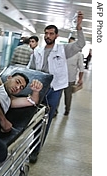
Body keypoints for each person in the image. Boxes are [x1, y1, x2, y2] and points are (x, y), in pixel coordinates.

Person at [27, 11, 86, 163]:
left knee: (46, 119)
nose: (48, 36)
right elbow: (30, 70)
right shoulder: (37, 51)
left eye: (51, 34)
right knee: (34, 117)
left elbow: (81, 44)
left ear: (56, 35)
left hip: (55, 90)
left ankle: (36, 149)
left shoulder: (63, 49)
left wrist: (79, 27)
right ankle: (31, 142)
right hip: (39, 89)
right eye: (46, 33)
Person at [59, 36, 84, 116]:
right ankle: (55, 110)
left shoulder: (78, 54)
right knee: (57, 95)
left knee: (68, 96)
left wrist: (80, 79)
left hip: (70, 79)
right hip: (60, 78)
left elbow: (81, 68)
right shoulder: (63, 52)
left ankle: (67, 110)